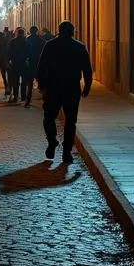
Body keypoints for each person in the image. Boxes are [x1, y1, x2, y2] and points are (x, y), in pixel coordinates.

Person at [36, 21, 93, 164]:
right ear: (72, 32)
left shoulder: (50, 45)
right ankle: (67, 152)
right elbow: (87, 69)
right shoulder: (79, 47)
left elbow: (41, 67)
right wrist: (87, 86)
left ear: (58, 31)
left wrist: (41, 85)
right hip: (71, 89)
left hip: (53, 88)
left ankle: (52, 140)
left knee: (48, 117)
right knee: (70, 121)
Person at [7, 27, 32, 104]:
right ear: (23, 34)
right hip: (23, 63)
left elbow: (9, 52)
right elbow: (29, 53)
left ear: (17, 33)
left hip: (15, 63)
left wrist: (10, 60)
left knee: (15, 81)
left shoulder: (12, 41)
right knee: (24, 81)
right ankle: (23, 96)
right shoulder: (26, 42)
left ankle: (15, 96)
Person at [25, 25, 45, 107]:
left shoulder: (27, 40)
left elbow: (24, 52)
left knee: (30, 84)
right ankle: (44, 98)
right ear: (36, 31)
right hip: (38, 64)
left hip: (30, 64)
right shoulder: (41, 41)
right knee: (41, 82)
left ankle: (28, 100)